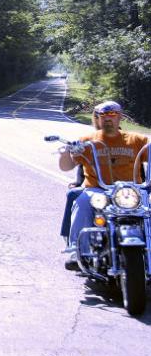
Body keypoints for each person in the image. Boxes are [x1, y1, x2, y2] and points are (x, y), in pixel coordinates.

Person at [58, 100, 149, 269]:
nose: (108, 119)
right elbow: (67, 166)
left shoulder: (136, 139)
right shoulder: (87, 141)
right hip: (97, 190)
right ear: (98, 118)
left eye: (112, 115)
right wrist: (66, 153)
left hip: (131, 192)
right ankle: (77, 251)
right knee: (82, 203)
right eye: (103, 115)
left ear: (120, 117)